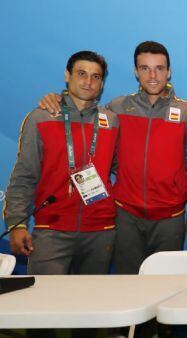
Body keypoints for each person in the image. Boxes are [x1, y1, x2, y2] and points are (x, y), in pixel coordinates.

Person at [38, 41, 187, 274]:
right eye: (145, 68)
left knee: (166, 287)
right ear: (135, 72)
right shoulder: (117, 109)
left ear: (169, 71)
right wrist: (56, 98)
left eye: (159, 68)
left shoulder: (186, 113)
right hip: (125, 217)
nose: (152, 75)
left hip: (169, 217)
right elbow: (97, 137)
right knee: (126, 286)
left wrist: (176, 183)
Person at [5, 50, 119, 338]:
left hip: (100, 231)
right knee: (42, 316)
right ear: (67, 76)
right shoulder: (41, 116)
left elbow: (125, 168)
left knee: (90, 318)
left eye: (96, 76)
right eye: (81, 74)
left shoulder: (112, 122)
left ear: (103, 83)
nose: (88, 82)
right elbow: (23, 177)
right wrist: (16, 223)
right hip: (51, 231)